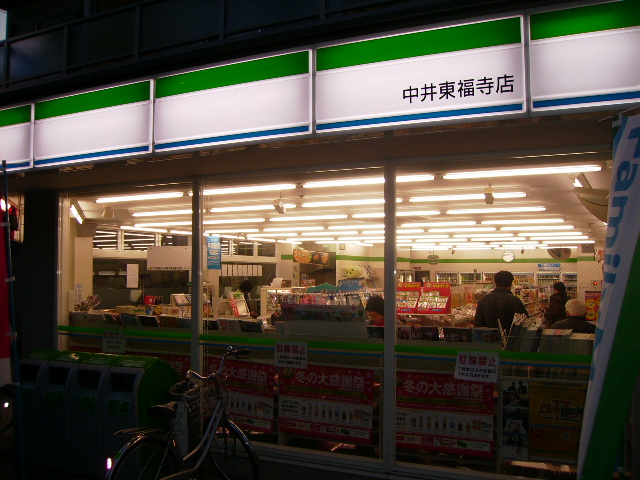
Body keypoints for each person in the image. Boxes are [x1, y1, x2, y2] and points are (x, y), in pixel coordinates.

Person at [474, 270, 528, 335]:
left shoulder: (484, 299)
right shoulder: (514, 300)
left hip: (488, 339)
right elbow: (524, 321)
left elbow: (478, 323)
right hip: (509, 339)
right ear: (511, 283)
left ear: (495, 282)